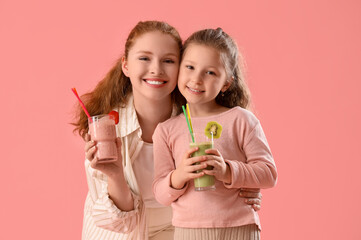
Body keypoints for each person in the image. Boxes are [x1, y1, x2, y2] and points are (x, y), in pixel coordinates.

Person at [73, 21, 263, 240]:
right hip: (122, 233)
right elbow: (119, 224)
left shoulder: (196, 121)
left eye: (169, 61)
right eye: (144, 58)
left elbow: (233, 168)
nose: (156, 69)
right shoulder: (106, 128)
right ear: (126, 65)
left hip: (181, 229)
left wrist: (243, 187)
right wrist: (115, 174)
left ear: (182, 67)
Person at [152, 28, 277, 240]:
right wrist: (179, 175)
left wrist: (227, 170)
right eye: (190, 67)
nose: (197, 79)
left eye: (210, 72)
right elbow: (161, 194)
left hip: (239, 227)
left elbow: (268, 173)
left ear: (226, 82)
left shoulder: (241, 120)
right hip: (188, 231)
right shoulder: (166, 130)